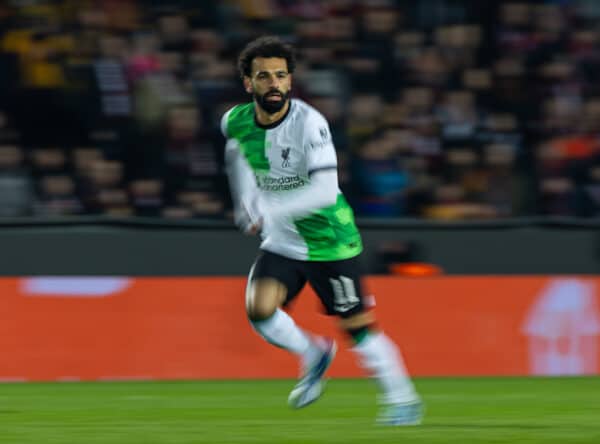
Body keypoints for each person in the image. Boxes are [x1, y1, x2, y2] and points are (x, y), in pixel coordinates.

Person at [221, 36, 422, 426]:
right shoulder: (235, 120)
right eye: (264, 76)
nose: (274, 83)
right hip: (282, 239)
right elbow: (236, 154)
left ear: (291, 81)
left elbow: (325, 190)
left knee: (356, 328)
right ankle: (313, 354)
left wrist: (270, 206)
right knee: (259, 310)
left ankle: (402, 399)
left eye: (281, 75)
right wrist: (244, 202)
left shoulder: (309, 124)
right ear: (249, 84)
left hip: (329, 241)